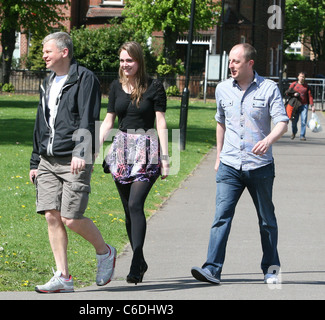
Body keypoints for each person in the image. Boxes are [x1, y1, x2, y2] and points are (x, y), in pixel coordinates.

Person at [191, 43, 289, 285]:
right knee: (221, 217)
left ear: (250, 63)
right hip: (230, 165)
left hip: (260, 167)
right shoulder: (223, 89)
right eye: (230, 61)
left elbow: (282, 122)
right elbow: (221, 123)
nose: (231, 65)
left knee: (267, 219)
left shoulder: (269, 89)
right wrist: (218, 157)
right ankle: (212, 269)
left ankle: (271, 269)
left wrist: (268, 140)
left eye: (236, 61)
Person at [29, 32, 116, 293]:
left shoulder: (84, 78)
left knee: (70, 217)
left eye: (48, 51)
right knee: (51, 216)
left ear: (64, 52)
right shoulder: (47, 82)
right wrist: (35, 159)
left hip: (73, 158)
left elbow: (88, 117)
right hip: (47, 159)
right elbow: (40, 123)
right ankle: (63, 276)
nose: (43, 55)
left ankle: (105, 252)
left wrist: (81, 151)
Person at [99, 41, 169, 284]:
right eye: (121, 60)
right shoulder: (116, 87)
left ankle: (136, 260)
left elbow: (160, 122)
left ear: (139, 61)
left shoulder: (154, 87)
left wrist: (166, 158)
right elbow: (109, 121)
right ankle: (141, 261)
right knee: (128, 209)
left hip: (147, 150)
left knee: (136, 204)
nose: (125, 65)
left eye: (129, 60)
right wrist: (95, 145)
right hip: (122, 151)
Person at [285, 72, 315, 141]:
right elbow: (287, 93)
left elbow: (310, 96)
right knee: (294, 121)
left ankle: (302, 135)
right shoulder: (294, 84)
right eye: (301, 76)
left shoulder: (306, 86)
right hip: (295, 105)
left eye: (303, 77)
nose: (302, 78)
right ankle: (294, 132)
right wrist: (293, 94)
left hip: (304, 105)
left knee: (303, 121)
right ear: (298, 77)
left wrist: (312, 106)